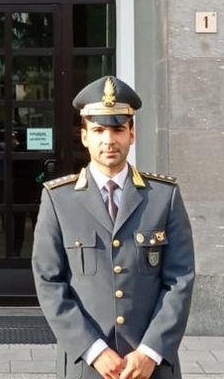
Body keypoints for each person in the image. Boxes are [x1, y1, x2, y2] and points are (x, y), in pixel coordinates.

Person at [32, 76, 195, 379]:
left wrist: (150, 352)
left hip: (152, 367)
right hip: (86, 366)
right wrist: (93, 350)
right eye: (98, 130)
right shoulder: (58, 200)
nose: (109, 140)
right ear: (84, 136)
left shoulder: (163, 196)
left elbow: (180, 280)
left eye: (118, 129)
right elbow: (49, 282)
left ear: (132, 134)